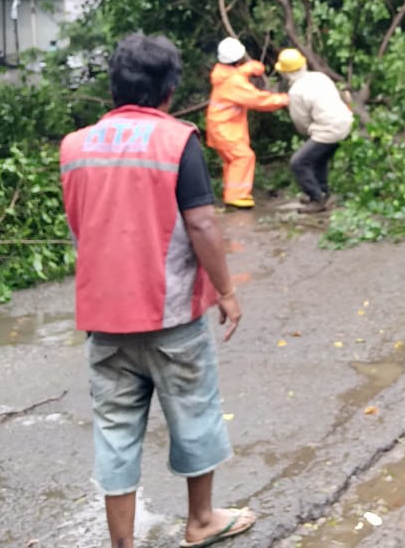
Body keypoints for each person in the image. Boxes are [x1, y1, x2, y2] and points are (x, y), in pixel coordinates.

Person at [60, 33, 256, 548]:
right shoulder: (177, 140)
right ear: (169, 90)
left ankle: (123, 543)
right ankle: (201, 521)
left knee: (115, 430)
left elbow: (81, 225)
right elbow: (204, 226)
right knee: (194, 412)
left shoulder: (74, 146)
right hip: (171, 315)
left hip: (103, 319)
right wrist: (227, 291)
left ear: (114, 87)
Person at [205, 36, 287, 210]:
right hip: (225, 129)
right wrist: (284, 99)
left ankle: (232, 194)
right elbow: (259, 101)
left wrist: (250, 68)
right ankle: (236, 197)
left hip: (222, 127)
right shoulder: (235, 84)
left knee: (232, 160)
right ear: (239, 58)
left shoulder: (222, 72)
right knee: (243, 157)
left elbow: (236, 73)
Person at [274, 48, 353, 212]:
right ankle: (322, 192)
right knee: (319, 158)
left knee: (298, 162)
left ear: (285, 73)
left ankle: (317, 199)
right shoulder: (319, 77)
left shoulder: (295, 92)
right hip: (346, 121)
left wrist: (309, 132)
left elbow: (300, 121)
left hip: (329, 129)